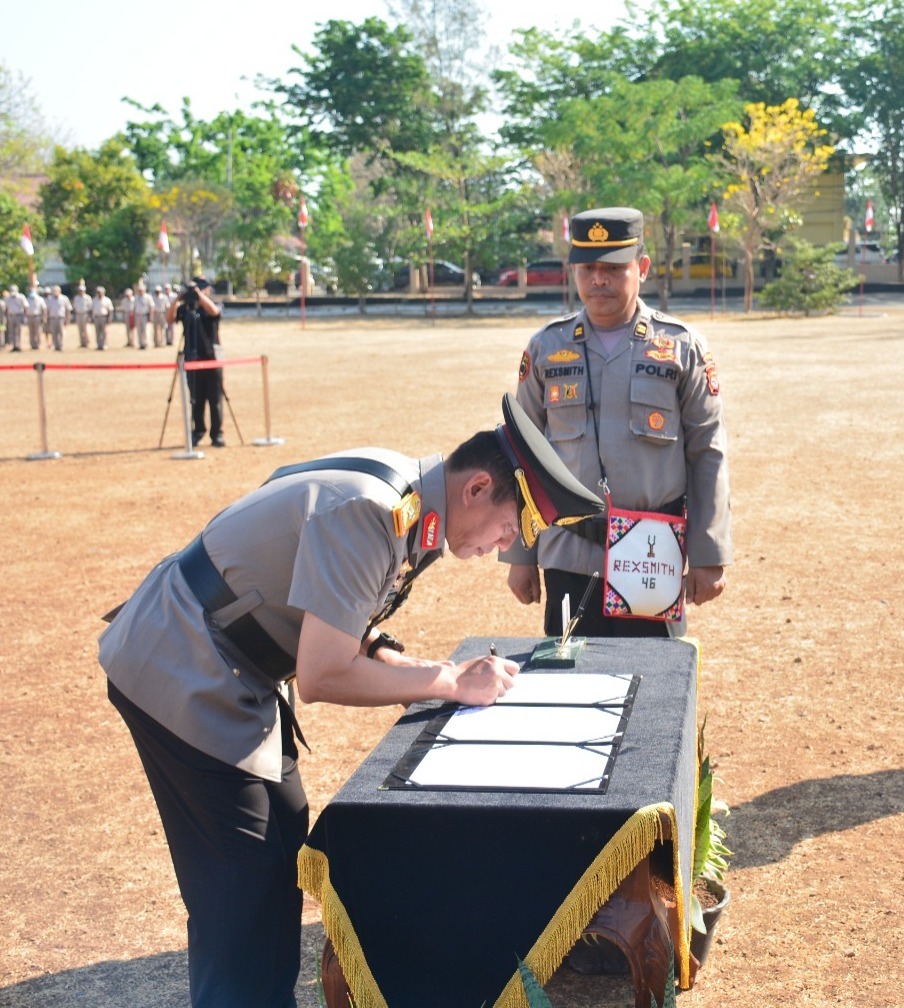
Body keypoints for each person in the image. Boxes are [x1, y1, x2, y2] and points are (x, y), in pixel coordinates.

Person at [100, 395, 603, 1008]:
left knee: (280, 845)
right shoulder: (373, 511)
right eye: (511, 527)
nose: (503, 546)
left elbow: (328, 596)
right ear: (476, 488)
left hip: (226, 666)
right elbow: (322, 674)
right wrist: (447, 681)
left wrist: (399, 660)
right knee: (242, 890)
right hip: (181, 664)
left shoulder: (406, 496)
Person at [502, 206, 733, 639]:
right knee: (568, 685)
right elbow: (521, 455)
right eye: (587, 268)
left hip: (651, 552)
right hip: (567, 555)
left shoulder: (681, 348)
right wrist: (521, 553)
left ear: (641, 268)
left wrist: (709, 552)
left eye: (612, 268)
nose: (598, 280)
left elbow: (707, 453)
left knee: (654, 689)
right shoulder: (547, 348)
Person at [169, 276, 224, 446]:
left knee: (215, 399)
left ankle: (217, 434)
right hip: (192, 359)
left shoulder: (211, 306)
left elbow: (215, 312)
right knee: (196, 399)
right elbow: (169, 319)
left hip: (211, 359)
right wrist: (178, 299)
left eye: (201, 288)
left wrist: (199, 295)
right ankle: (198, 431)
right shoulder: (186, 309)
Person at [45, 285, 71, 351]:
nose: (55, 292)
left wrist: (67, 319)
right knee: (54, 332)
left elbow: (68, 309)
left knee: (61, 332)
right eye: (54, 291)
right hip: (52, 318)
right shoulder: (50, 299)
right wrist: (46, 318)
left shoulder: (64, 298)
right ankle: (56, 346)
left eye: (56, 291)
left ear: (60, 291)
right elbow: (47, 310)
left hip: (61, 318)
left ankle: (61, 345)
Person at [133, 281, 155, 349]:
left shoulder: (148, 297)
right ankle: (140, 344)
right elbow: (134, 307)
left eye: (141, 290)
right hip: (138, 315)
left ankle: (145, 343)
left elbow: (151, 307)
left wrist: (151, 316)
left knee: (146, 330)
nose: (140, 291)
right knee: (139, 331)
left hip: (145, 315)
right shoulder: (136, 297)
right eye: (139, 290)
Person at [72, 280, 93, 348]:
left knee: (86, 329)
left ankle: (87, 342)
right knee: (80, 329)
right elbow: (75, 307)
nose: (80, 292)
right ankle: (82, 342)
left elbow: (90, 308)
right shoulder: (76, 298)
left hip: (85, 314)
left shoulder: (87, 298)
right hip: (78, 314)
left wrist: (90, 317)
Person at [92, 285, 114, 350]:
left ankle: (105, 345)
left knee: (104, 332)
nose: (99, 293)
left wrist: (109, 319)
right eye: (98, 292)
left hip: (104, 317)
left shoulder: (107, 300)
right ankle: (99, 345)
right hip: (96, 317)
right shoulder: (94, 300)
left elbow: (110, 310)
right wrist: (92, 318)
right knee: (97, 332)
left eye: (100, 292)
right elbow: (92, 309)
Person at [4, 284, 24, 351]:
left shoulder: (21, 297)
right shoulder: (7, 298)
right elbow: (5, 308)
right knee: (11, 332)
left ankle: (18, 345)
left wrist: (25, 317)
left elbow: (25, 306)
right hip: (10, 316)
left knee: (18, 331)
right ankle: (13, 346)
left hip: (19, 316)